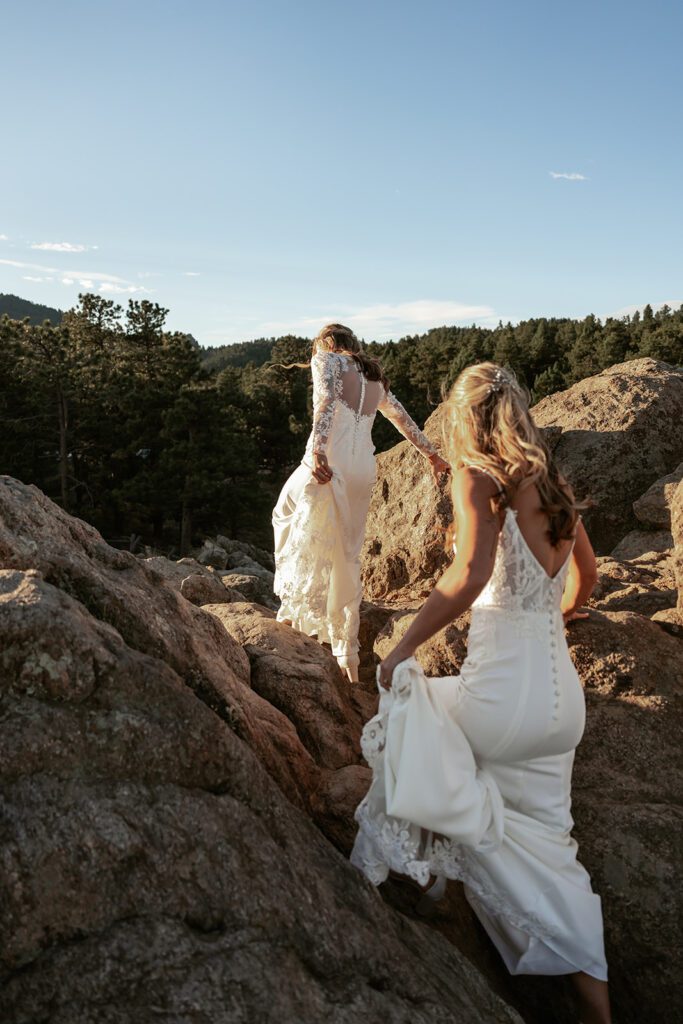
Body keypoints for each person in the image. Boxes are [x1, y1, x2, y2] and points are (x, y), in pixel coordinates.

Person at [350, 362, 611, 1024]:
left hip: (499, 703)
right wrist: (562, 611)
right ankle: (595, 1000)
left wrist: (402, 650)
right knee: (553, 850)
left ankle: (430, 877)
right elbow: (587, 573)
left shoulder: (478, 478)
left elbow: (468, 576)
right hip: (561, 709)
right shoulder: (551, 485)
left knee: (416, 707)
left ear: (465, 417)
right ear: (518, 410)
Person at [272, 323, 449, 682]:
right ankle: (347, 656)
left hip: (330, 463)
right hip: (362, 470)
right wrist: (431, 455)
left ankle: (294, 615)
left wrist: (319, 451)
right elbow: (402, 419)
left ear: (327, 344)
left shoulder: (327, 361)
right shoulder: (375, 380)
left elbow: (324, 405)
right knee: (346, 556)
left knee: (285, 513)